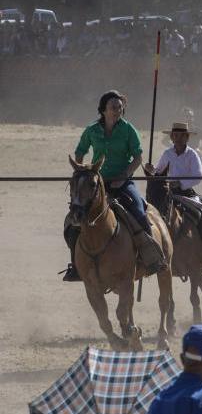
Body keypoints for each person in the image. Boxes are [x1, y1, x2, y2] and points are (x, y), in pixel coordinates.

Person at [63, 90, 166, 281]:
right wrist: (82, 171)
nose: (117, 110)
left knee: (138, 211)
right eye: (113, 107)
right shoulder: (91, 130)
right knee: (72, 221)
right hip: (95, 184)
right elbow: (80, 152)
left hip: (122, 183)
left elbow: (137, 158)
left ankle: (149, 258)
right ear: (103, 110)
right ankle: (76, 266)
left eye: (120, 107)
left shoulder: (128, 130)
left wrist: (124, 175)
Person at [142, 123, 202, 267]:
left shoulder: (192, 154)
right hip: (167, 194)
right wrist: (151, 171)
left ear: (187, 137)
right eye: (175, 135)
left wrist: (181, 183)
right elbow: (159, 173)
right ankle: (151, 252)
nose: (178, 138)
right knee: (151, 215)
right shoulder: (167, 154)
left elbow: (198, 176)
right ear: (171, 137)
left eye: (181, 136)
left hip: (186, 193)